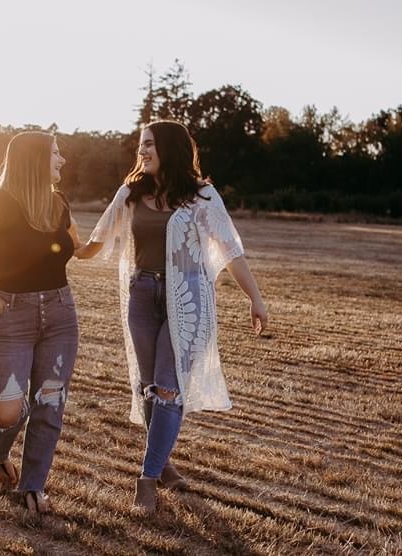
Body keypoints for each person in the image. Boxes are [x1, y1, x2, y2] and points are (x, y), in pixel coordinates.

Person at [74, 120, 268, 513]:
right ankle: (164, 464)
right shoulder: (130, 193)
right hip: (142, 296)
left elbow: (231, 251)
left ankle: (146, 478)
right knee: (149, 386)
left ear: (169, 148)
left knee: (167, 387)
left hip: (188, 300)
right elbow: (96, 242)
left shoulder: (202, 197)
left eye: (149, 145)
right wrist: (60, 240)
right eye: (140, 146)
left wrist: (255, 298)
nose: (142, 152)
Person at [0, 131, 79, 516]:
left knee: (49, 403)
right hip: (10, 317)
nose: (63, 160)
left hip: (60, 314)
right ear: (34, 160)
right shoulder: (0, 203)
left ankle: (32, 487)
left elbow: (81, 248)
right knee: (8, 407)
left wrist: (118, 223)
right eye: (56, 153)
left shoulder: (58, 204)